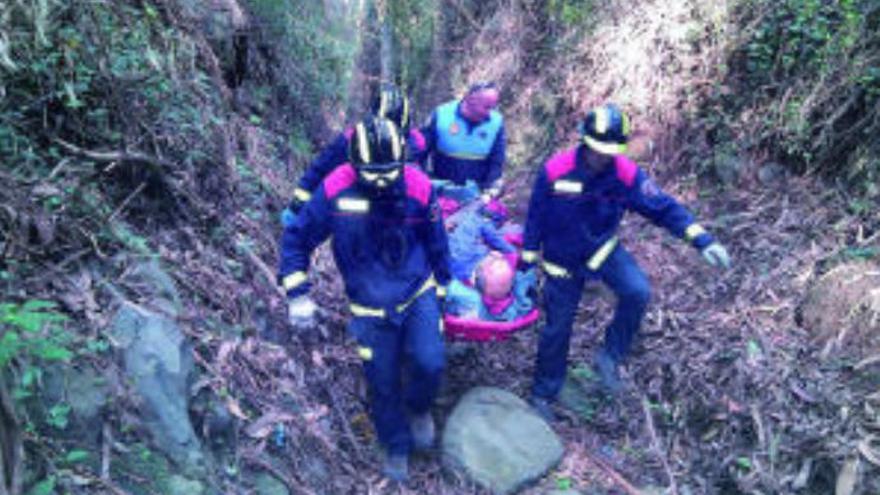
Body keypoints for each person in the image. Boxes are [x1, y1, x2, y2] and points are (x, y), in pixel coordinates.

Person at [520, 103, 731, 420]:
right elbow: (534, 218)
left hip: (602, 250)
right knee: (558, 327)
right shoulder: (555, 170)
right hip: (561, 262)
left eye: (609, 151)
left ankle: (609, 357)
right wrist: (526, 262)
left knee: (637, 292)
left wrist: (701, 239)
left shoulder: (625, 174)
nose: (601, 157)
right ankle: (544, 393)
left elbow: (662, 207)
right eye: (596, 150)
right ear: (583, 140)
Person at [277, 116, 450, 482]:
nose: (383, 183)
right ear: (355, 163)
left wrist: (444, 287)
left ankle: (419, 408)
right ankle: (396, 445)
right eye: (373, 175)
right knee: (382, 379)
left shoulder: (418, 185)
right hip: (368, 305)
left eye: (390, 173)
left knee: (430, 361)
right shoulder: (335, 188)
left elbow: (437, 241)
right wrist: (297, 295)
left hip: (416, 291)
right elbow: (296, 238)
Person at [281, 83, 427, 225]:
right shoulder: (350, 140)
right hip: (359, 217)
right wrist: (297, 205)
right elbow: (320, 169)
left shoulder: (418, 143)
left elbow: (423, 182)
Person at [421, 81, 506, 202]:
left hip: (477, 197)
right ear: (470, 99)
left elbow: (497, 161)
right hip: (440, 194)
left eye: (492, 107)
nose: (489, 113)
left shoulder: (496, 122)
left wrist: (489, 192)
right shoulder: (442, 114)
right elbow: (420, 151)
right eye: (486, 107)